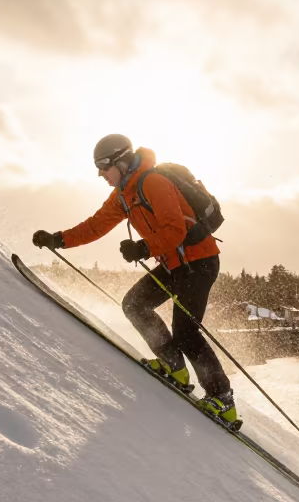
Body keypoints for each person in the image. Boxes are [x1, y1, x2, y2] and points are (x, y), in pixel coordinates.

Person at [32, 134, 236, 425]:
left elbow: (175, 230)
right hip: (173, 263)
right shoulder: (124, 195)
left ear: (121, 161)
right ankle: (174, 365)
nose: (100, 174)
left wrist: (143, 247)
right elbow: (96, 225)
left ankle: (223, 399)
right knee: (135, 304)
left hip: (198, 262)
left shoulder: (152, 182)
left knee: (186, 333)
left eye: (104, 166)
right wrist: (59, 239)